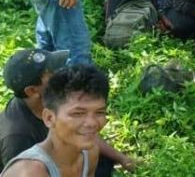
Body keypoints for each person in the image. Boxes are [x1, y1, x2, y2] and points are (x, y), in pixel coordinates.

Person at [0, 50, 135, 176]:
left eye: (99, 112)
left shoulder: (89, 152)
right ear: (48, 117)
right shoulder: (19, 144)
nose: (92, 122)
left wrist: (122, 158)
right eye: (78, 114)